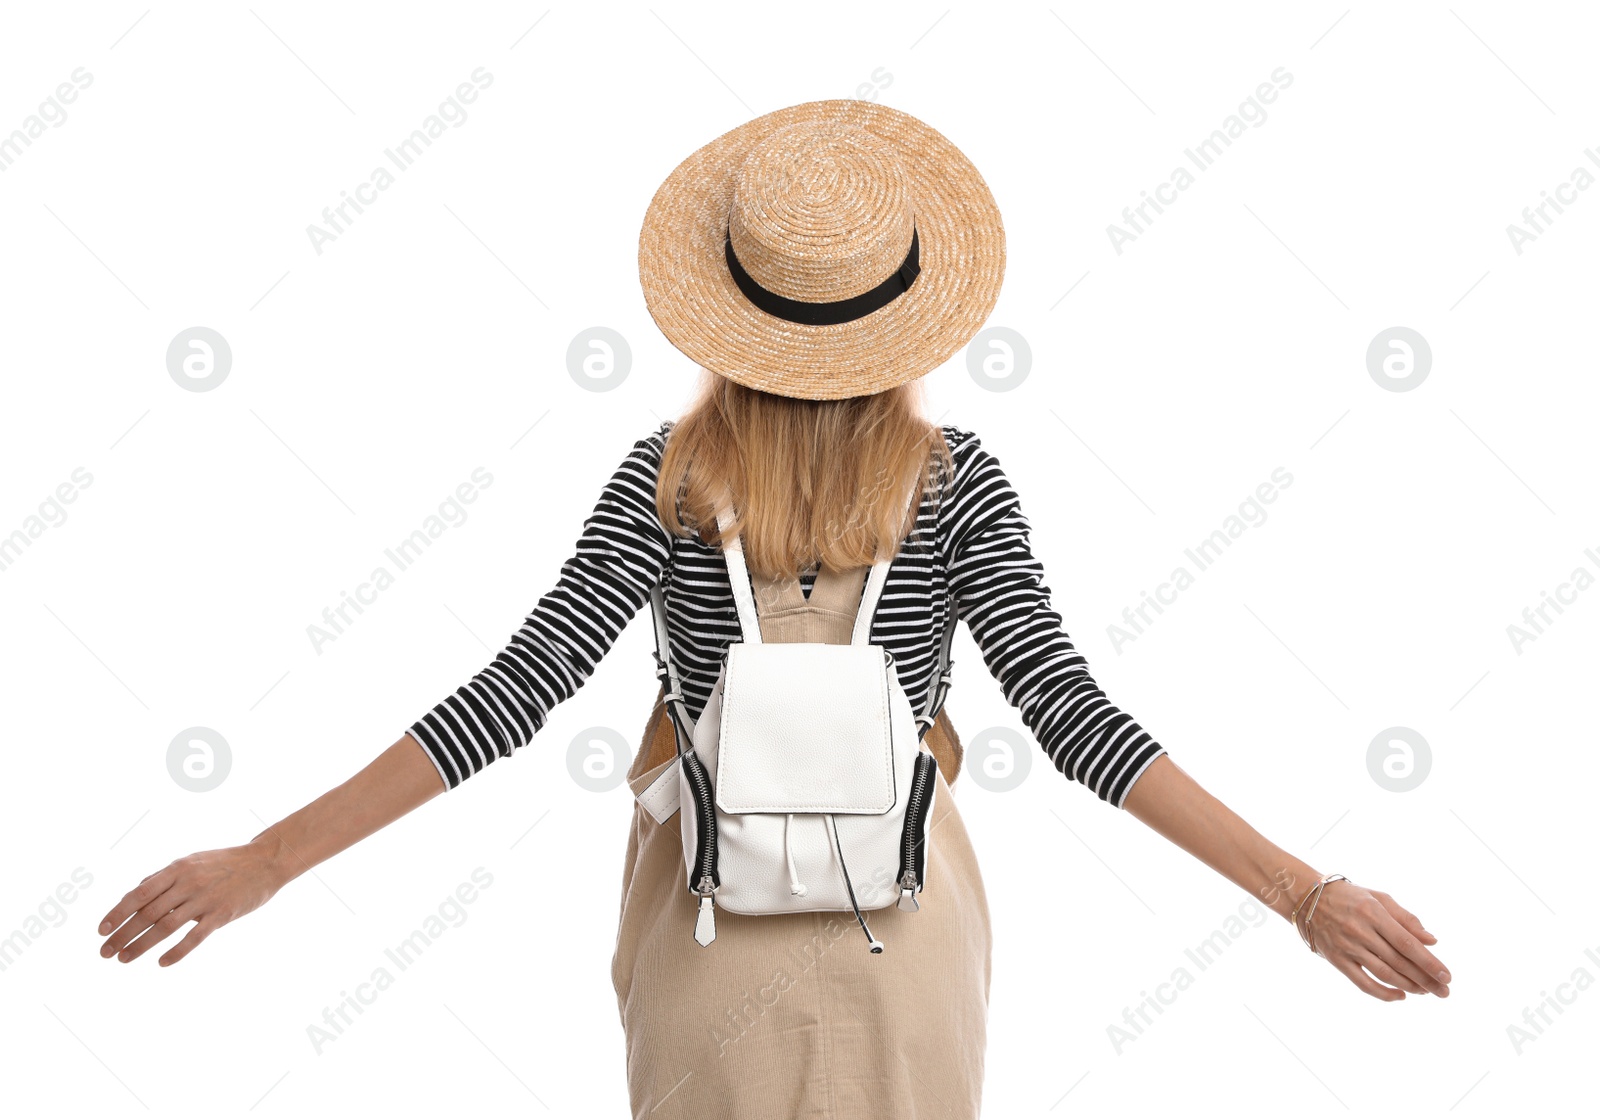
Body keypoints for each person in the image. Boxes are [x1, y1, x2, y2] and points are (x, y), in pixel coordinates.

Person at [96, 100, 1451, 1119]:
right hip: (903, 940)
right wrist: (1301, 893)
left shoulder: (669, 481)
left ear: (729, 307)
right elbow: (1072, 714)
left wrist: (267, 861)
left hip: (703, 938)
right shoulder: (956, 483)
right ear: (908, 308)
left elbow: (512, 698)